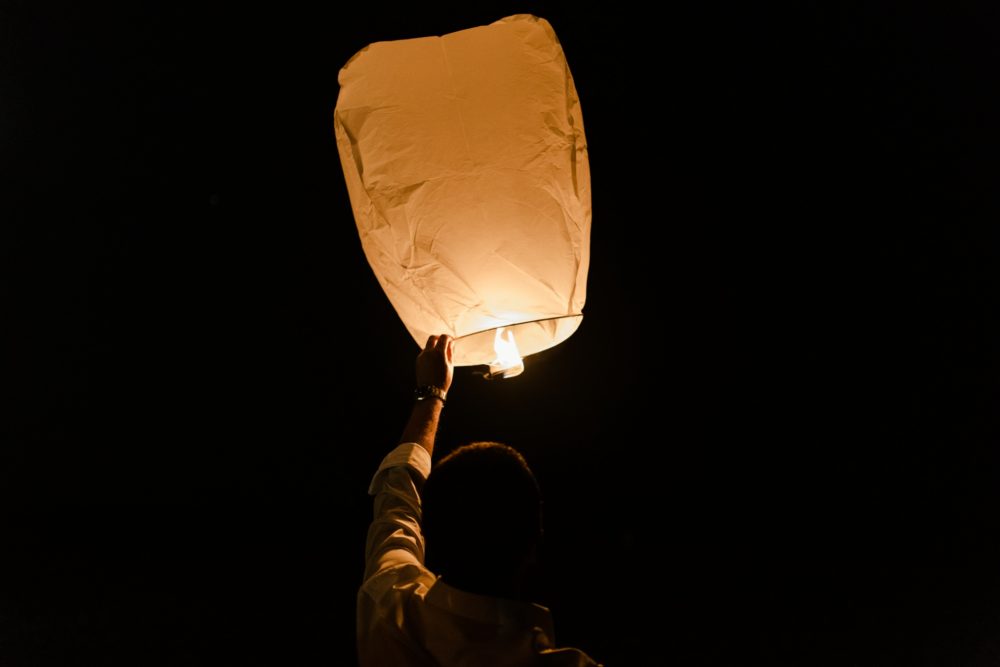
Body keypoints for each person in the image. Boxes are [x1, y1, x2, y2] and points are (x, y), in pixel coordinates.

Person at [357, 334, 601, 666]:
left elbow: (397, 497)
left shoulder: (391, 604)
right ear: (535, 541)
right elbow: (399, 498)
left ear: (430, 536)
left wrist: (432, 394)